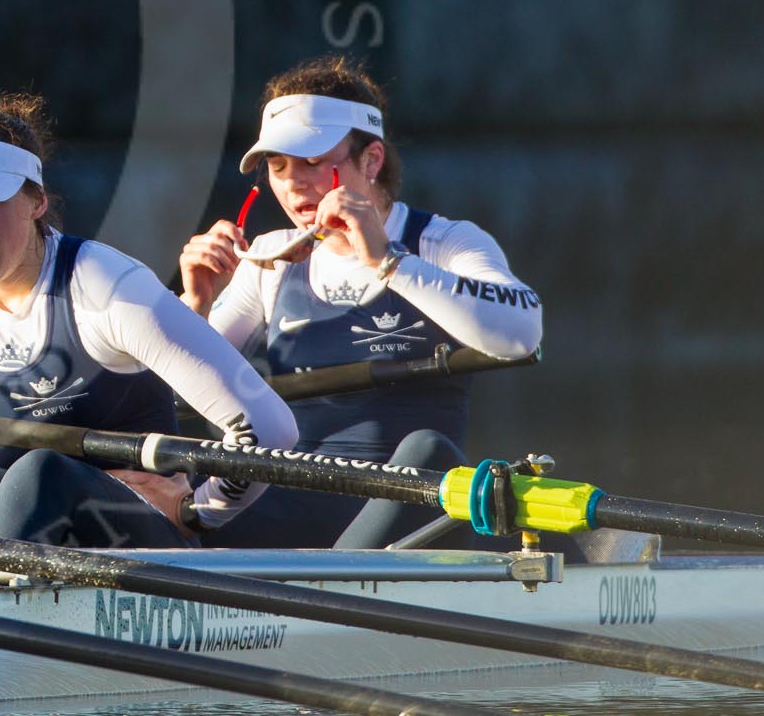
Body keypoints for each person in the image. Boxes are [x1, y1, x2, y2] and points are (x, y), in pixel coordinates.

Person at [0, 92, 298, 551]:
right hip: (1, 527)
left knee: (38, 472)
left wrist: (196, 512)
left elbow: (268, 428)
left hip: (127, 537)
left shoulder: (106, 287)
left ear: (37, 202)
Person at [178, 54, 543, 548]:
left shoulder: (444, 243)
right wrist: (192, 306)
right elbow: (173, 400)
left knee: (426, 449)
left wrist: (388, 262)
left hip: (408, 513)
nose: (290, 183)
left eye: (311, 162)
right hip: (291, 503)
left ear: (370, 161)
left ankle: (328, 587)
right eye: (277, 166)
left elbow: (522, 334)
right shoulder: (269, 257)